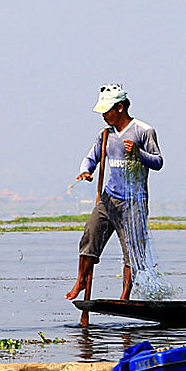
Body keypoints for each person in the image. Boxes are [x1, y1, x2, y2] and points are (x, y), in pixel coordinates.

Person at [63, 84, 164, 320]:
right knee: (90, 238)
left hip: (134, 202)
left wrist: (139, 153)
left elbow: (158, 162)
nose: (104, 115)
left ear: (120, 108)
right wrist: (86, 171)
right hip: (109, 198)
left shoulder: (143, 131)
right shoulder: (105, 135)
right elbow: (92, 158)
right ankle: (80, 282)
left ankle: (124, 296)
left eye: (107, 110)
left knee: (131, 252)